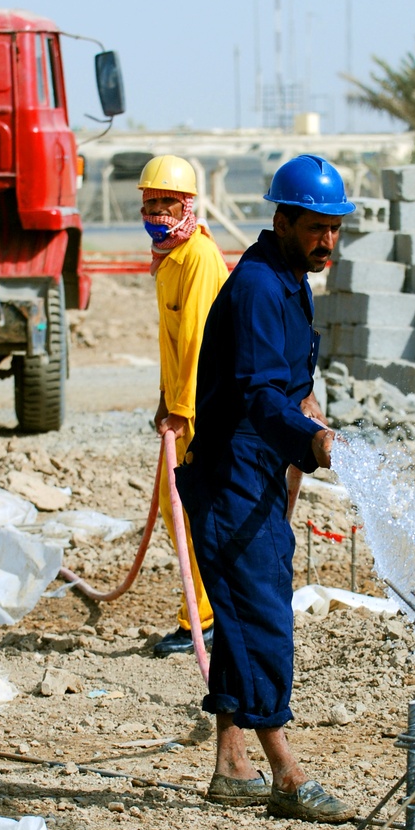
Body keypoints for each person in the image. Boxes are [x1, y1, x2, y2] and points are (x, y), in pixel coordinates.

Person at [176, 154, 356, 822]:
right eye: (316, 228)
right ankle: (285, 771)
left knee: (248, 610)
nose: (327, 241)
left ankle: (231, 764)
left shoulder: (290, 278)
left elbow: (286, 380)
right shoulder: (255, 286)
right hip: (231, 472)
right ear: (282, 219)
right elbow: (256, 393)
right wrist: (306, 442)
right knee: (263, 620)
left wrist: (303, 428)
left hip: (260, 466)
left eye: (335, 229)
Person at [139, 155, 229, 657]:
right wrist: (162, 398)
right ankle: (203, 611)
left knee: (190, 513)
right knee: (178, 516)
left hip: (204, 411)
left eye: (165, 201)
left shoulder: (196, 258)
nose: (155, 210)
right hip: (182, 408)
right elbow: (169, 341)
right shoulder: (168, 257)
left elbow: (196, 341)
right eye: (149, 201)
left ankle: (205, 618)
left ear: (186, 204)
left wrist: (181, 410)